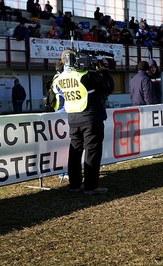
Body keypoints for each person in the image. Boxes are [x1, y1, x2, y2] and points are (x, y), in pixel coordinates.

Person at [53, 50, 115, 195]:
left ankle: (75, 184)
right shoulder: (85, 75)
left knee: (74, 153)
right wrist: (104, 71)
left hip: (73, 118)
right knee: (92, 152)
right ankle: (91, 186)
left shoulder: (61, 77)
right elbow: (109, 87)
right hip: (90, 117)